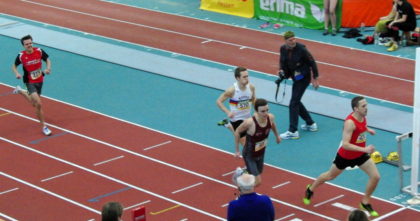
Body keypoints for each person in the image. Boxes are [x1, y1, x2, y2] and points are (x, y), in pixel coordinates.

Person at [303, 96, 381, 217]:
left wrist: (368, 130)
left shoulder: (362, 116)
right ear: (356, 109)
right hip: (345, 157)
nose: (366, 108)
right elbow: (345, 144)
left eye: (366, 105)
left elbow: (361, 127)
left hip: (360, 155)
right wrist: (365, 149)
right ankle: (310, 189)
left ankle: (365, 202)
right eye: (363, 106)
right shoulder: (349, 123)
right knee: (329, 176)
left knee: (375, 176)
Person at [278, 31, 320, 140]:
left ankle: (293, 131)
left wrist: (315, 78)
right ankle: (310, 123)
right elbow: (282, 62)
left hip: (303, 78)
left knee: (293, 103)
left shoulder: (302, 49)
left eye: (294, 39)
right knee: (296, 101)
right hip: (294, 77)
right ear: (285, 41)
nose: (293, 41)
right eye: (290, 40)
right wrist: (281, 71)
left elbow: (312, 62)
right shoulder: (283, 49)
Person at [234, 98, 281, 186]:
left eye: (267, 110)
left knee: (258, 172)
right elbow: (237, 131)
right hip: (249, 155)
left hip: (261, 152)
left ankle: (241, 173)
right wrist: (237, 150)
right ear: (256, 111)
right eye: (263, 111)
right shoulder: (250, 122)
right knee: (258, 181)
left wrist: (277, 135)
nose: (266, 113)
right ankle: (243, 193)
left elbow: (272, 124)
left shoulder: (270, 117)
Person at [12, 34, 52, 136]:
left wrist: (48, 68)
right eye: (27, 44)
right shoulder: (21, 56)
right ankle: (44, 126)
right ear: (23, 46)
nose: (29, 45)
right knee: (38, 104)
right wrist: (16, 73)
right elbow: (14, 66)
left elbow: (47, 59)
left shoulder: (39, 51)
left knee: (35, 104)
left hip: (40, 80)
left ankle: (20, 91)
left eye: (30, 43)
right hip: (29, 82)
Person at [216, 66, 256, 157]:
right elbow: (218, 102)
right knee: (246, 144)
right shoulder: (232, 90)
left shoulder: (251, 87)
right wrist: (228, 112)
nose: (247, 79)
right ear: (237, 78)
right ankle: (249, 165)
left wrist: (257, 111)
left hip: (248, 117)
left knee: (251, 138)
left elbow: (254, 99)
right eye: (244, 77)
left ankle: (227, 124)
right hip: (236, 119)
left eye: (247, 76)